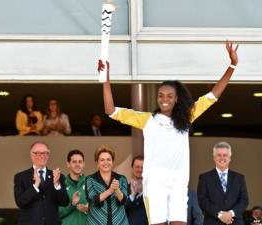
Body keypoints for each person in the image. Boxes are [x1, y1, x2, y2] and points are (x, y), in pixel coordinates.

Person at [99, 41, 239, 225]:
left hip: (179, 181)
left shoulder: (187, 117)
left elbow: (213, 95)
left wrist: (232, 65)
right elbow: (110, 111)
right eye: (161, 95)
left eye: (169, 96)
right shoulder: (147, 119)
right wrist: (105, 79)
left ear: (176, 99)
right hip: (155, 182)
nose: (164, 99)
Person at [14, 141, 69, 225]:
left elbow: (64, 202)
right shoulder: (21, 177)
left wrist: (56, 184)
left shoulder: (58, 176)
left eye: (45, 153)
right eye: (37, 153)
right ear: (31, 155)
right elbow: (20, 202)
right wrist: (35, 185)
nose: (42, 156)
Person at [197, 141, 249, 225]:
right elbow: (203, 201)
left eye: (225, 155)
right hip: (212, 222)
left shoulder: (239, 178)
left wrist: (230, 214)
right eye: (219, 155)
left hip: (235, 222)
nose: (222, 158)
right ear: (214, 157)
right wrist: (220, 214)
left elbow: (244, 200)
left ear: (230, 158)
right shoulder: (204, 178)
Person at [85, 144, 129, 225]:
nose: (106, 162)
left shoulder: (122, 179)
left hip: (119, 222)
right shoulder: (90, 179)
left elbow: (124, 201)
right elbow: (93, 200)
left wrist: (117, 190)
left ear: (113, 162)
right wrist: (110, 190)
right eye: (102, 160)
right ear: (97, 163)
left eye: (108, 159)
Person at [59, 149, 88, 225]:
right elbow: (55, 213)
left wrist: (88, 208)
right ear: (68, 164)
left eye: (80, 162)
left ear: (83, 164)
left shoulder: (91, 183)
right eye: (74, 162)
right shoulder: (61, 185)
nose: (77, 164)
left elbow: (100, 209)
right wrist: (72, 204)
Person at [125, 155, 148, 225]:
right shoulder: (124, 188)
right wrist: (132, 195)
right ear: (132, 168)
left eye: (142, 167)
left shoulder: (152, 189)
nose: (140, 170)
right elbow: (120, 210)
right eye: (137, 167)